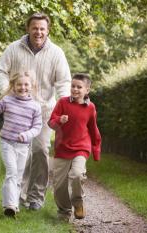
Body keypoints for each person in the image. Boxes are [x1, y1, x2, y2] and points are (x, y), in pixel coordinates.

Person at [0, 12, 71, 210]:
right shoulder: (14, 49)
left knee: (39, 151)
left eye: (42, 28)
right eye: (35, 28)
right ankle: (16, 195)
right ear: (28, 28)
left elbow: (63, 82)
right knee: (19, 155)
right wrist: (7, 94)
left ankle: (35, 197)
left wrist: (66, 107)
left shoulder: (56, 53)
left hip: (44, 112)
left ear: (48, 30)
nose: (38, 32)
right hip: (17, 111)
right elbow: (0, 71)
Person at [0, 70, 42, 217]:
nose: (23, 87)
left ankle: (14, 206)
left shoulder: (35, 106)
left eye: (26, 84)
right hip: (7, 143)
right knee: (11, 172)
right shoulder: (7, 100)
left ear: (31, 86)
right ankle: (9, 205)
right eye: (19, 84)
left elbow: (37, 127)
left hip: (23, 146)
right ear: (13, 85)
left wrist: (26, 135)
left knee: (18, 177)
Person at [48, 73, 101, 221]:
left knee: (77, 174)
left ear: (87, 90)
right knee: (59, 185)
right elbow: (51, 123)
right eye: (73, 86)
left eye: (79, 87)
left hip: (81, 148)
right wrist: (59, 119)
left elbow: (93, 129)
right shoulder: (62, 103)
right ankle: (64, 211)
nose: (75, 89)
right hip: (62, 149)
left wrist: (96, 150)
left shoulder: (90, 107)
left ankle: (78, 203)